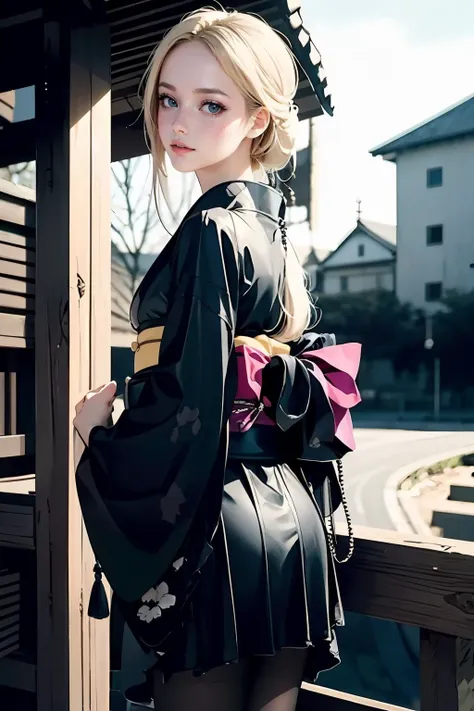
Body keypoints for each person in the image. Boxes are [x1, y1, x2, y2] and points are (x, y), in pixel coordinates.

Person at [74, 8, 361, 711]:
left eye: (212, 104)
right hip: (292, 524)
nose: (180, 122)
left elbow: (189, 409)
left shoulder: (208, 229)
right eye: (169, 98)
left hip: (222, 529)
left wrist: (98, 437)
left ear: (259, 119)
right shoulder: (271, 233)